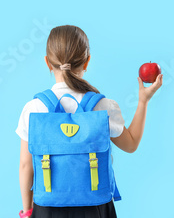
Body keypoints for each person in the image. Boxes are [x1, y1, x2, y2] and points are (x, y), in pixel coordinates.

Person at [18, 25, 162, 218]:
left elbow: (26, 166)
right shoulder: (103, 105)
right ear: (87, 62)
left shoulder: (33, 108)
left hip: (47, 208)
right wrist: (143, 100)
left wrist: (28, 211)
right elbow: (131, 144)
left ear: (47, 63)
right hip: (96, 207)